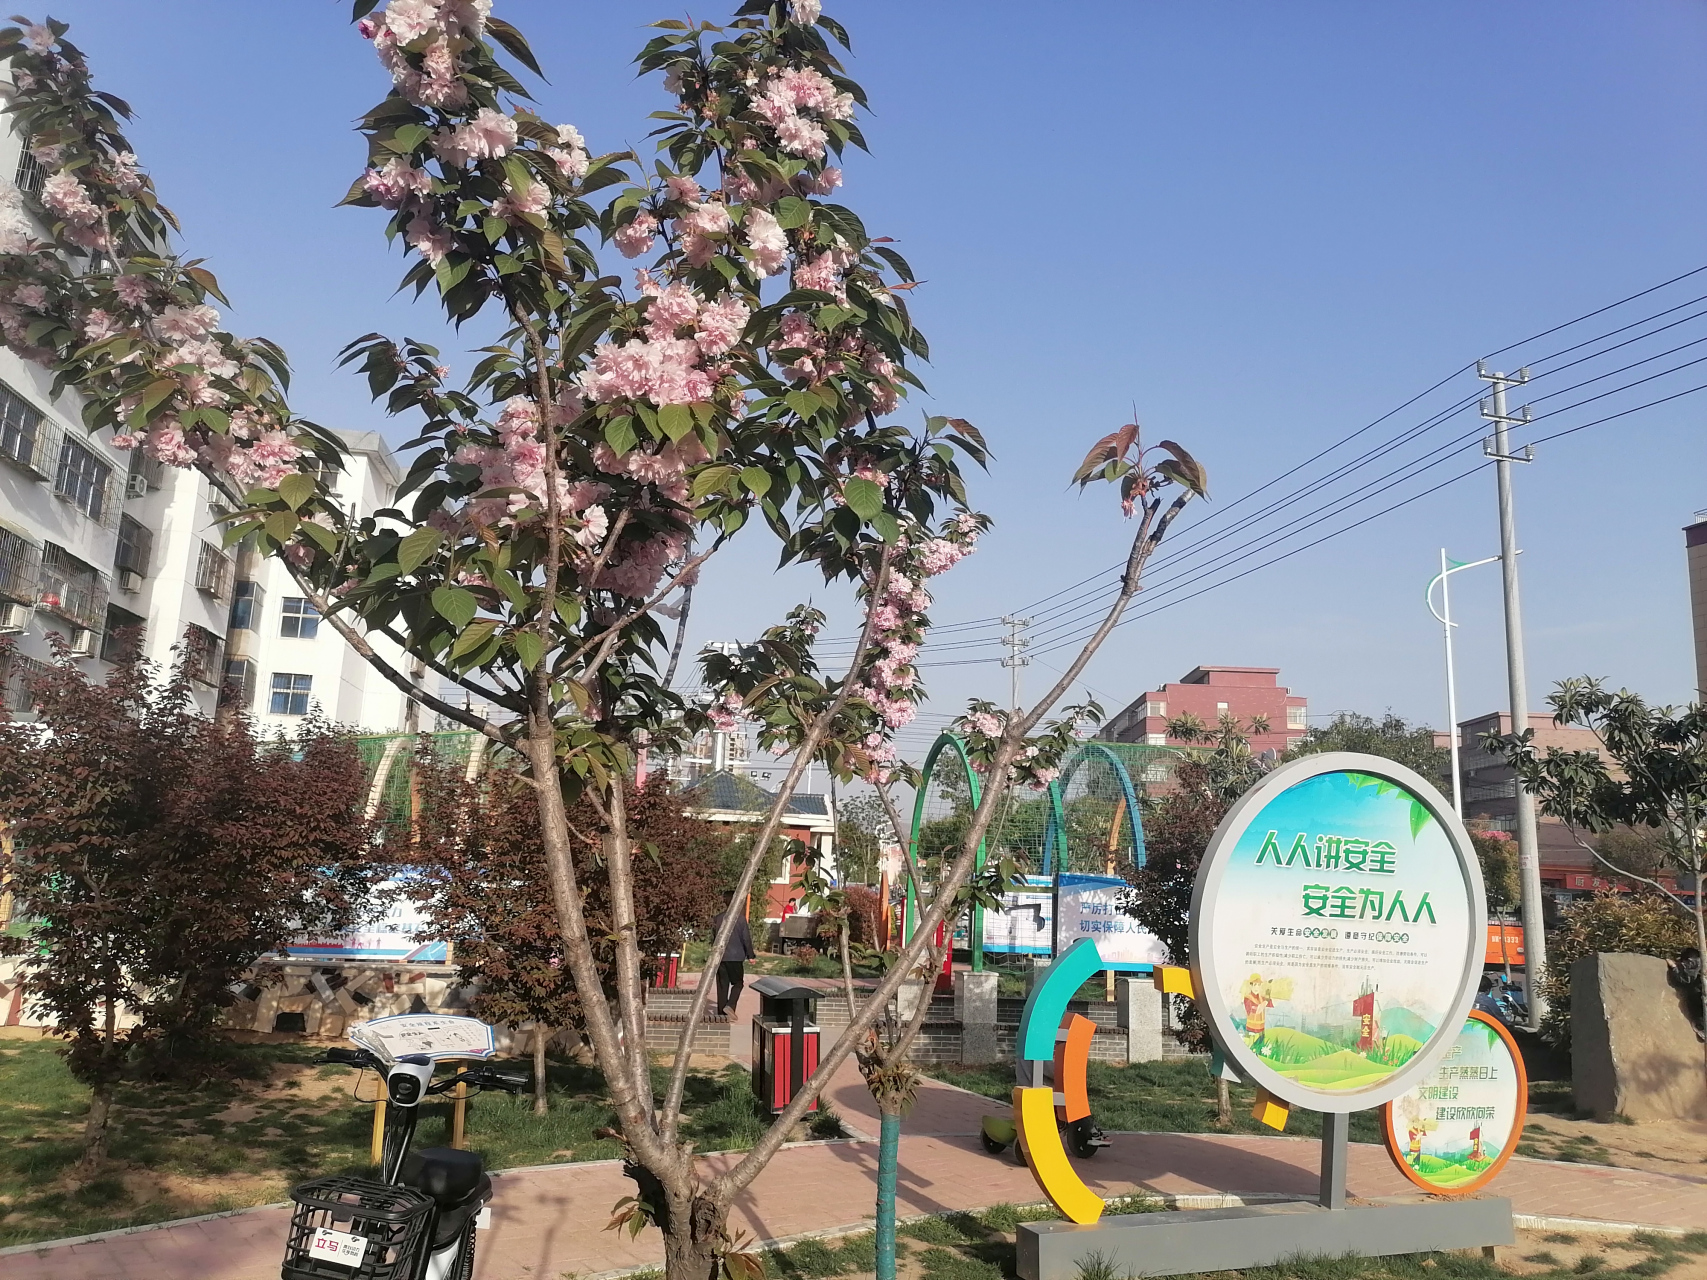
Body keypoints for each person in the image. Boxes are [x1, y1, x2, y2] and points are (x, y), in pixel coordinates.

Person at [712, 907, 756, 1016]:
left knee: (722, 985)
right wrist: (750, 955)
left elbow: (714, 937)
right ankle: (730, 1005)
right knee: (738, 983)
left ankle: (721, 1014)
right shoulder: (740, 919)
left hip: (720, 957)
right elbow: (746, 938)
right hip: (736, 957)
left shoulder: (718, 918)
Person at [1668, 947, 1704, 1042]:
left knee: (1695, 1000)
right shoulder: (1699, 960)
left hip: (1700, 995)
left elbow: (1685, 979)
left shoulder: (1696, 961)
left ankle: (1701, 1026)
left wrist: (1674, 967)